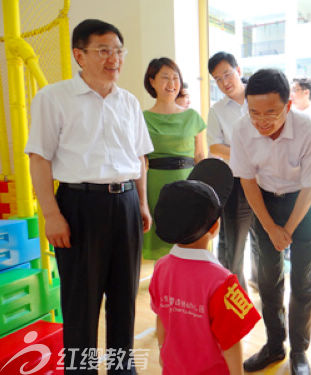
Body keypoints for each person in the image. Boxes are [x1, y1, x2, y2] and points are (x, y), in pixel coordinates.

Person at [25, 19, 153, 373]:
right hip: (79, 206)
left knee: (125, 297)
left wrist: (141, 202)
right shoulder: (53, 98)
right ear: (79, 55)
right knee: (81, 301)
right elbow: (40, 158)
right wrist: (51, 214)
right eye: (103, 50)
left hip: (126, 202)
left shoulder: (128, 102)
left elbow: (140, 158)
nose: (113, 58)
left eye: (118, 51)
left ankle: (120, 369)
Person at [230, 69, 311, 375]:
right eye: (254, 112)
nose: (261, 121)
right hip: (265, 202)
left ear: (288, 106)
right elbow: (248, 182)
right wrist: (271, 227)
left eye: (271, 113)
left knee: (303, 278)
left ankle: (299, 351)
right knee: (268, 279)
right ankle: (274, 345)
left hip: (305, 203)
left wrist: (287, 229)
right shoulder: (241, 129)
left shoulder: (309, 130)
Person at [149, 158, 261, 375]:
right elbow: (230, 342)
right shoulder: (223, 281)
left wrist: (163, 352)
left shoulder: (161, 268)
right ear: (215, 227)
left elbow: (161, 320)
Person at [142, 57, 207, 260]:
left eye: (175, 78)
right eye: (165, 78)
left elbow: (200, 156)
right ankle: (165, 289)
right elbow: (141, 162)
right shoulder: (142, 118)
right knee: (162, 249)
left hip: (189, 184)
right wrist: (141, 201)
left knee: (190, 241)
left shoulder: (192, 117)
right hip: (156, 187)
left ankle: (189, 291)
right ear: (152, 81)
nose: (171, 84)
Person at [207, 51, 258, 291]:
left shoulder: (259, 97)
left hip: (266, 179)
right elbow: (215, 145)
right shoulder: (217, 109)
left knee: (264, 239)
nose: (224, 82)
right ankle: (237, 300)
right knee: (234, 246)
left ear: (238, 71)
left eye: (227, 74)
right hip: (235, 181)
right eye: (217, 79)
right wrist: (244, 153)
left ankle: (260, 282)